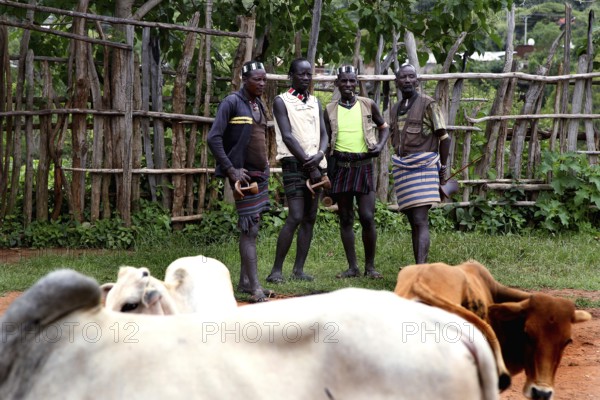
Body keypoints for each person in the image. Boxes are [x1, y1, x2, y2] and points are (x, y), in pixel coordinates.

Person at [207, 60, 273, 303]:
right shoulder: (231, 102)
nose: (262, 83)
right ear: (244, 79)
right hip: (242, 176)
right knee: (249, 228)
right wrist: (231, 170)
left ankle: (246, 282)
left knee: (253, 226)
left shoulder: (258, 104)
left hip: (259, 174)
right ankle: (254, 287)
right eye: (257, 79)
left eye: (264, 79)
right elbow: (213, 138)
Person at [266, 58, 328, 284]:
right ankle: (276, 271)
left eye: (308, 74)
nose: (305, 77)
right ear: (290, 75)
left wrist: (320, 155)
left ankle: (299, 270)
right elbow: (288, 136)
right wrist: (309, 164)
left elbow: (324, 133)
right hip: (294, 162)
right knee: (295, 215)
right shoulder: (281, 101)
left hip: (316, 162)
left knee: (310, 217)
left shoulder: (315, 102)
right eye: (300, 74)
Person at [323, 65, 389, 279]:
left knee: (367, 216)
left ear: (357, 82)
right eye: (344, 81)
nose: (349, 85)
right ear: (337, 83)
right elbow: (326, 140)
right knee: (345, 218)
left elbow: (385, 127)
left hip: (364, 166)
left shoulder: (367, 104)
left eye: (352, 81)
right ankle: (353, 267)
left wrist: (379, 147)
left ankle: (370, 266)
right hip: (341, 167)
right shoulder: (330, 109)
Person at [390, 63, 450, 264]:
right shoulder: (396, 109)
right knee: (413, 221)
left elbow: (444, 138)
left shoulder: (428, 104)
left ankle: (421, 269)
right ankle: (419, 267)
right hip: (403, 168)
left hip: (423, 167)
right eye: (403, 77)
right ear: (396, 82)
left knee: (420, 219)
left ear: (417, 80)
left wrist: (442, 169)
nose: (407, 80)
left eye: (410, 77)